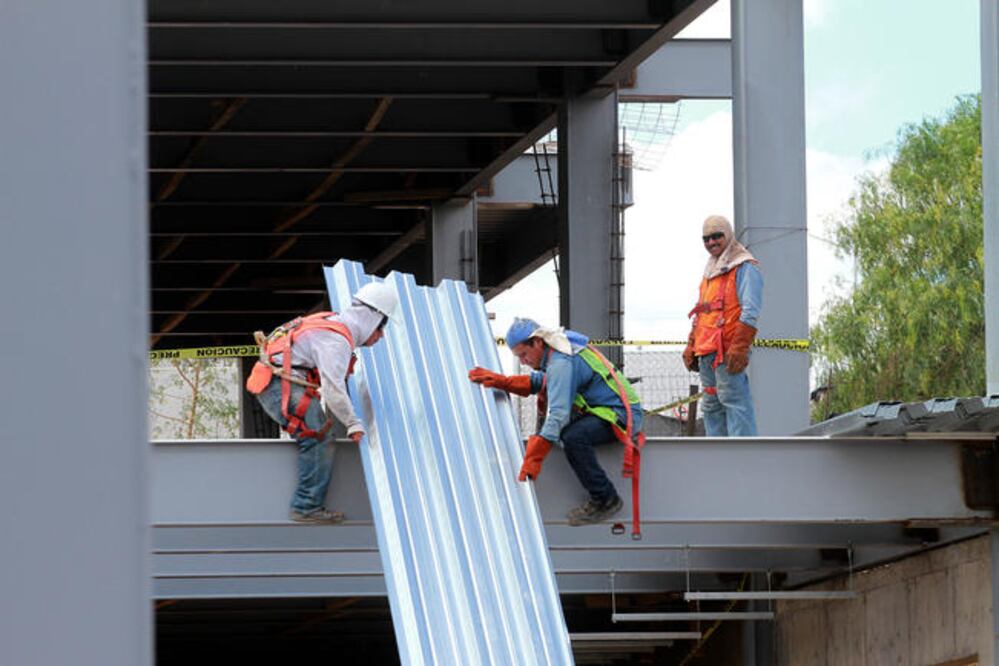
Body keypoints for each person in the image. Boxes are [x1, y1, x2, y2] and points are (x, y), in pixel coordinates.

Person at [245, 282, 398, 523]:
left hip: (279, 380)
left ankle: (307, 502)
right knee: (317, 435)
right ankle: (306, 506)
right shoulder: (336, 340)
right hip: (278, 385)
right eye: (381, 328)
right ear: (371, 319)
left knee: (319, 430)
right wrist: (353, 423)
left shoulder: (332, 322)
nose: (381, 335)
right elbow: (332, 388)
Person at [468, 319, 643, 526]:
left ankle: (606, 499)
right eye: (518, 357)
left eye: (524, 354)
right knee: (566, 432)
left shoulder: (561, 361)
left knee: (573, 437)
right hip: (606, 410)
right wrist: (504, 382)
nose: (523, 362)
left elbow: (559, 414)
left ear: (537, 342)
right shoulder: (558, 350)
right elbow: (544, 381)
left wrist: (534, 457)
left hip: (620, 415)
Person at [682, 214, 763, 436]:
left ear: (727, 235)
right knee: (711, 405)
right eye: (706, 239)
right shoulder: (711, 272)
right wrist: (692, 344)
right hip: (706, 351)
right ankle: (716, 452)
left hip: (726, 351)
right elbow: (701, 312)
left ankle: (742, 452)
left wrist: (740, 346)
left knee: (734, 400)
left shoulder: (744, 266)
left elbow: (751, 310)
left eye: (716, 236)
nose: (711, 242)